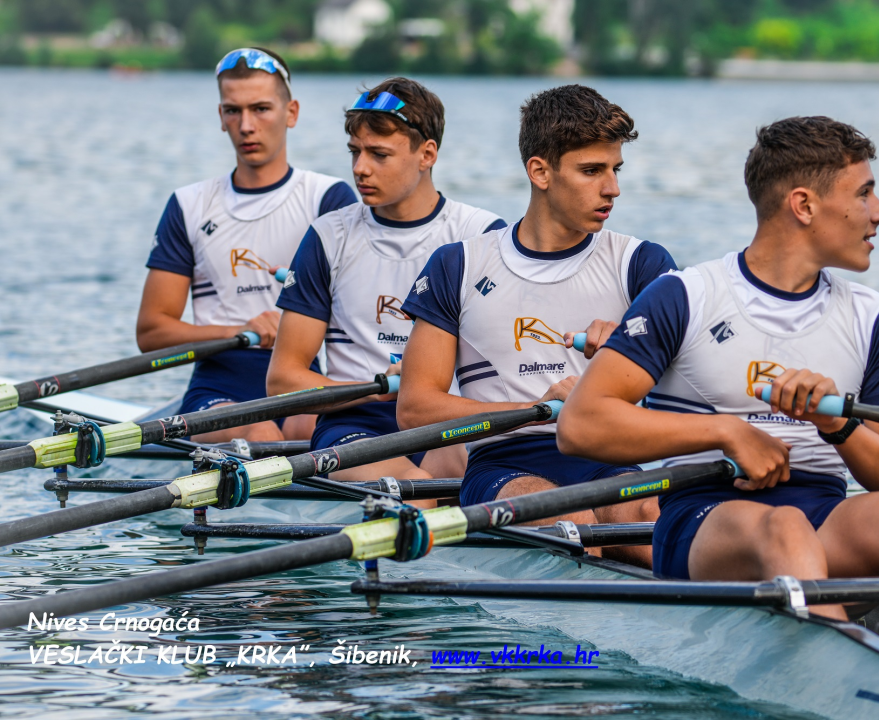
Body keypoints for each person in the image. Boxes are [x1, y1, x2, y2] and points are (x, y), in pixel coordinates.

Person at [557, 116, 879, 640]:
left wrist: (837, 426)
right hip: (707, 519)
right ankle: (840, 674)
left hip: (824, 515)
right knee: (784, 528)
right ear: (803, 205)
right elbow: (581, 425)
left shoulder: (874, 317)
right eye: (864, 194)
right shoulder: (686, 296)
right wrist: (726, 432)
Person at [397, 85, 676, 567]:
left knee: (659, 524)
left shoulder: (642, 265)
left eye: (615, 169)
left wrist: (633, 363)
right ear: (540, 171)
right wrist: (538, 407)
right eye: (592, 171)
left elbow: (689, 396)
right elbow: (415, 408)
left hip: (611, 461)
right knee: (573, 528)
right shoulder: (458, 265)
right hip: (505, 463)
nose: (612, 188)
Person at [268, 77, 505, 489]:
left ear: (426, 153)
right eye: (355, 152)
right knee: (420, 494)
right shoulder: (328, 237)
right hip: (354, 426)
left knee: (456, 474)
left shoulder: (482, 234)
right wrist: (371, 391)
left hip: (445, 425)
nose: (360, 168)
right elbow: (283, 379)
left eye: (379, 154)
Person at [136, 48, 356, 443]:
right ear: (221, 117)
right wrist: (239, 328)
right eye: (233, 111)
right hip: (219, 388)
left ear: (291, 113)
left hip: (300, 381)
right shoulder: (189, 204)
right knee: (261, 431)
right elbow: (152, 332)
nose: (247, 126)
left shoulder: (328, 199)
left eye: (261, 109)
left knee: (307, 429)